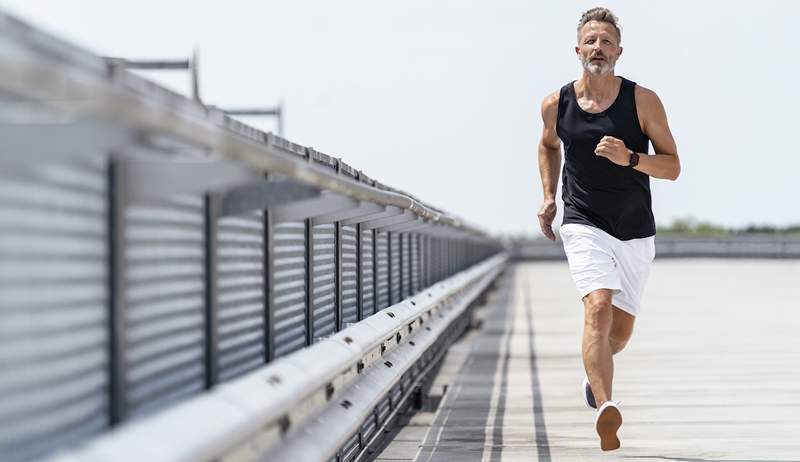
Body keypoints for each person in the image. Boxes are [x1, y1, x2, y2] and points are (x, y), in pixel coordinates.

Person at [536, 7, 681, 451]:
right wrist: (548, 197)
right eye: (590, 40)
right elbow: (547, 145)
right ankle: (606, 407)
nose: (597, 48)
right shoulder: (555, 103)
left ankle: (593, 378)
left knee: (618, 335)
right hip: (583, 222)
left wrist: (631, 158)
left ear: (619, 51)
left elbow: (673, 167)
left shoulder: (643, 101)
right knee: (597, 306)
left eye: (606, 41)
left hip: (635, 230)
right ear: (577, 49)